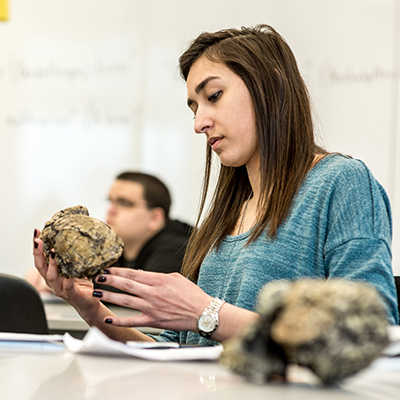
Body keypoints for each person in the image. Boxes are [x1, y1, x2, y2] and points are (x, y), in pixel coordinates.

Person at [33, 24, 399, 346]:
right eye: (194, 107)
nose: (199, 122)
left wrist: (207, 312)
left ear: (270, 84)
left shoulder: (341, 183)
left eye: (214, 96)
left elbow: (370, 332)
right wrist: (91, 308)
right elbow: (177, 347)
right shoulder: (230, 211)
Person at [28, 171, 192, 293]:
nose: (111, 210)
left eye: (124, 203)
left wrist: (73, 280)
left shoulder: (177, 247)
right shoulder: (116, 248)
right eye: (111, 201)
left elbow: (145, 294)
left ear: (155, 218)